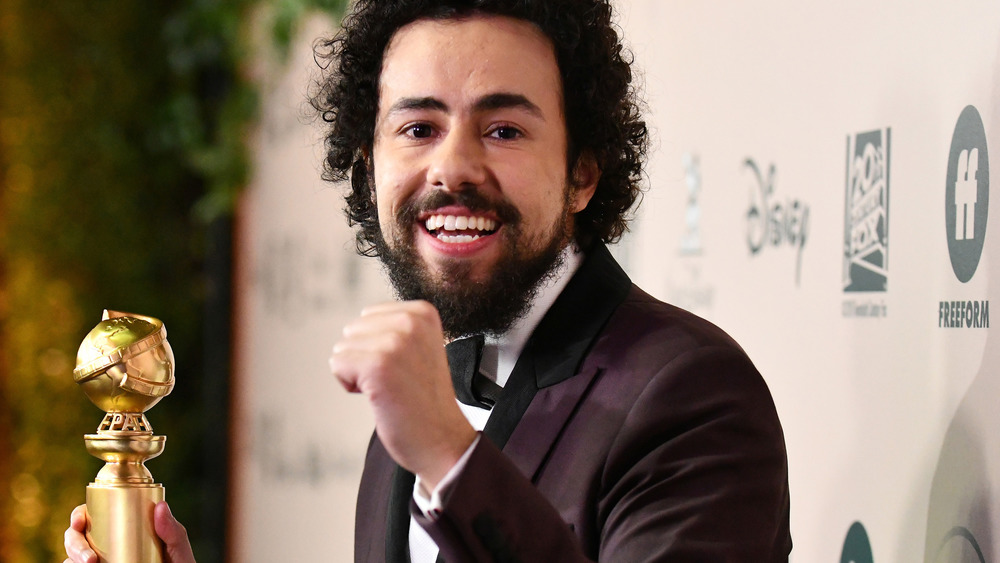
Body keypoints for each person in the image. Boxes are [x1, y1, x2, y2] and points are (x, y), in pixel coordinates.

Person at [66, 0, 792, 561]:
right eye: (417, 129)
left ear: (581, 174)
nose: (451, 168)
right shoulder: (425, 396)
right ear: (369, 165)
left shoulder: (692, 396)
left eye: (504, 129)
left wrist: (450, 455)